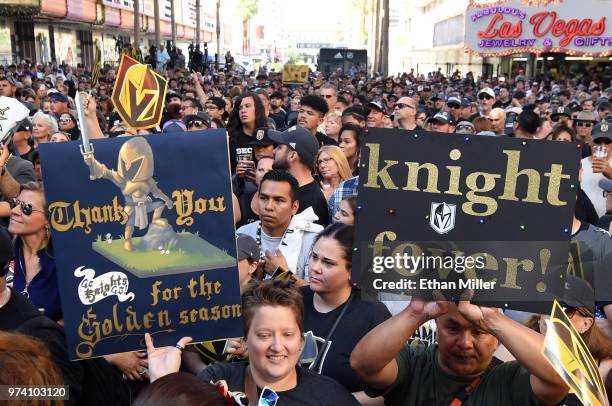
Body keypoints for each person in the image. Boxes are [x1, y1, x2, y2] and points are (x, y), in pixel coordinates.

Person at [146, 280, 360, 405]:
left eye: (287, 334)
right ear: (245, 340)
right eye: (264, 335)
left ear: (301, 339)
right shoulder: (216, 381)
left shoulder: (330, 397)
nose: (277, 346)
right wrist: (164, 381)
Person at [350, 297, 569, 405]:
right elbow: (363, 364)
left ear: (499, 340)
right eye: (452, 328)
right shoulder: (414, 362)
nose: (465, 343)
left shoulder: (512, 380)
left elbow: (562, 375)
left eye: (479, 332)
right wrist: (415, 313)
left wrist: (492, 319)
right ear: (437, 328)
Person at [300, 223, 391, 401]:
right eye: (314, 257)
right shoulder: (293, 300)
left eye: (328, 262)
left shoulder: (373, 316)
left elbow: (387, 393)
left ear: (352, 271)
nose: (315, 267)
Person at [237, 170, 323, 280]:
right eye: (263, 198)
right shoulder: (243, 234)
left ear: (294, 207)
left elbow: (315, 294)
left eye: (278, 200)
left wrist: (281, 274)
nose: (268, 207)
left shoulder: (313, 239)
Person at [9, 181, 62, 321]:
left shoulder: (62, 266)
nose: (14, 211)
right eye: (15, 203)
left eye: (26, 208)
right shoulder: (5, 249)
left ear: (48, 221)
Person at [271, 126, 330, 226]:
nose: (274, 151)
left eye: (279, 147)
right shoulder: (294, 188)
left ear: (292, 156)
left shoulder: (312, 202)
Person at [227, 92, 268, 174]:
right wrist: (235, 174)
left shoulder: (268, 137)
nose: (243, 111)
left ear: (257, 109)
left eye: (248, 106)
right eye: (240, 108)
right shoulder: (229, 138)